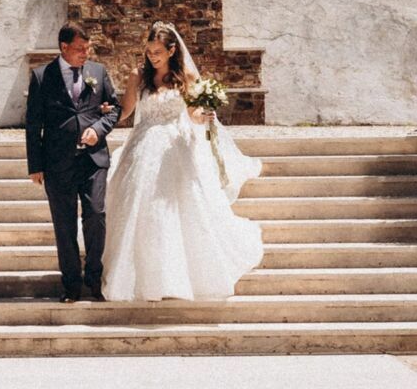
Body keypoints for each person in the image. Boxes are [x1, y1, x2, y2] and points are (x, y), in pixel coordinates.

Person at [101, 22, 264, 302]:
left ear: (172, 50)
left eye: (158, 52)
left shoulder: (184, 76)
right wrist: (102, 114)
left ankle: (177, 275)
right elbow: (126, 111)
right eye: (149, 51)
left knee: (179, 206)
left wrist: (205, 115)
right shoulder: (137, 76)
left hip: (175, 145)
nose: (153, 57)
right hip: (143, 145)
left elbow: (192, 114)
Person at [25, 23, 120, 303]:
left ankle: (94, 277)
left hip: (93, 161)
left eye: (88, 49)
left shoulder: (98, 72)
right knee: (64, 225)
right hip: (57, 163)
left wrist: (99, 129)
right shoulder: (42, 77)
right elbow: (33, 124)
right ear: (63, 48)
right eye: (80, 49)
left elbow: (113, 110)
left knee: (96, 214)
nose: (85, 54)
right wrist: (35, 165)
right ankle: (71, 286)